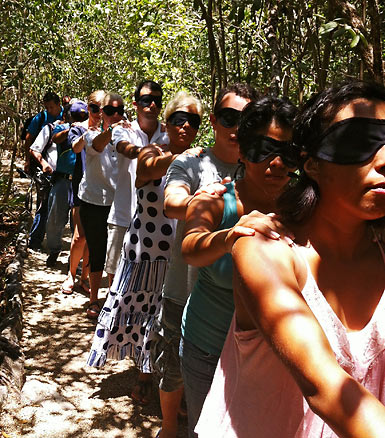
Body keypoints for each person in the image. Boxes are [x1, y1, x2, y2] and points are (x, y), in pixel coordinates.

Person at [195, 80, 385, 438]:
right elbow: (324, 387)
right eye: (359, 141)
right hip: (205, 334)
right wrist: (229, 235)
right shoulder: (259, 241)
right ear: (312, 164)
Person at [180, 96, 297, 438]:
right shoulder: (215, 200)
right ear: (243, 152)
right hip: (208, 347)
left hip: (275, 358)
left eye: (286, 152)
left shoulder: (304, 207)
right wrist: (230, 238)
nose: (276, 162)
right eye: (263, 149)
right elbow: (191, 247)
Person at [87, 92, 202, 411]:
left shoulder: (201, 162)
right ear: (168, 122)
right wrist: (188, 157)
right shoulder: (155, 152)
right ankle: (145, 376)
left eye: (193, 121)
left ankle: (168, 383)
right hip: (145, 247)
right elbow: (145, 171)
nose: (186, 126)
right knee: (142, 312)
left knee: (167, 318)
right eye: (180, 119)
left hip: (179, 253)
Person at [155, 83, 258, 438]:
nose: (236, 127)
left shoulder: (260, 166)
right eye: (229, 117)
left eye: (246, 120)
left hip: (234, 305)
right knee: (174, 368)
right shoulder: (193, 160)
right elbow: (171, 201)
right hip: (184, 289)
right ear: (214, 121)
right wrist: (210, 206)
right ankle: (169, 428)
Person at [105, 80, 168, 286]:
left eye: (157, 101)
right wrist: (145, 152)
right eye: (146, 100)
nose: (152, 105)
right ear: (135, 104)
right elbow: (124, 148)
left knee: (151, 280)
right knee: (115, 278)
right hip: (124, 214)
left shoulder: (169, 134)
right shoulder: (123, 130)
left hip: (157, 220)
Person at [78, 93, 125, 318]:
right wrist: (112, 130)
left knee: (116, 255)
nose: (115, 115)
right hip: (93, 201)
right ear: (101, 113)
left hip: (119, 203)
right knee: (97, 251)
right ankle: (94, 300)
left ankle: (113, 300)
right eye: (109, 111)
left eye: (119, 111)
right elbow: (96, 145)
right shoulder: (92, 135)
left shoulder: (128, 135)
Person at [61, 90, 106, 294]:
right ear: (88, 108)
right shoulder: (78, 129)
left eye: (102, 109)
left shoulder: (110, 131)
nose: (98, 113)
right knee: (80, 236)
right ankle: (71, 274)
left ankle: (84, 277)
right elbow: (76, 148)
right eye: (95, 108)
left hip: (103, 191)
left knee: (93, 237)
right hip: (81, 187)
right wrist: (88, 135)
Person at [45, 101, 89, 268]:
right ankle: (54, 249)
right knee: (55, 217)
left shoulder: (89, 129)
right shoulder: (61, 128)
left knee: (78, 224)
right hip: (63, 179)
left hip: (83, 182)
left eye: (83, 114)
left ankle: (76, 261)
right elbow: (56, 139)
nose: (80, 117)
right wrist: (71, 129)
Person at [26, 91, 64, 250]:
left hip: (63, 171)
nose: (49, 110)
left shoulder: (67, 115)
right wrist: (30, 161)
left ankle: (54, 241)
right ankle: (35, 240)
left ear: (58, 105)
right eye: (46, 107)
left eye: (51, 107)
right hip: (44, 169)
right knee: (43, 204)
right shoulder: (40, 119)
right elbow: (29, 139)